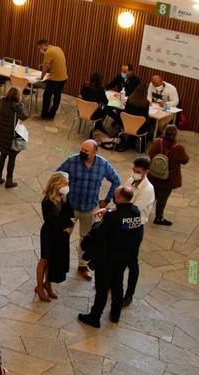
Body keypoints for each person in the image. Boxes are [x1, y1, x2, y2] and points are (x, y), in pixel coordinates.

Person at [56, 139, 121, 281]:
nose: (83, 153)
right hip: (71, 207)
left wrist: (107, 199)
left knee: (86, 238)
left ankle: (82, 265)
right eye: (82, 149)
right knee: (62, 235)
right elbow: (57, 175)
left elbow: (116, 180)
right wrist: (62, 193)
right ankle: (58, 263)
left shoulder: (103, 164)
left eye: (86, 151)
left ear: (94, 153)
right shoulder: (72, 161)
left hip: (90, 208)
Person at [78, 186, 143, 328]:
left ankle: (94, 317)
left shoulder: (113, 217)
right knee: (117, 285)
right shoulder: (136, 212)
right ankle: (115, 314)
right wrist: (107, 212)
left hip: (107, 258)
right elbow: (123, 222)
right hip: (124, 257)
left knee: (102, 288)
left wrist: (98, 222)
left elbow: (99, 234)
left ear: (119, 198)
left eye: (115, 195)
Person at [37, 172, 74, 302]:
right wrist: (65, 223)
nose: (68, 185)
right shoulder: (47, 201)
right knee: (45, 259)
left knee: (53, 259)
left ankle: (48, 284)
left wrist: (70, 225)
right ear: (57, 184)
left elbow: (71, 213)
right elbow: (50, 220)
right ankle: (39, 287)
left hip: (61, 234)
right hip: (50, 233)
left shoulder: (64, 197)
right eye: (66, 183)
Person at [123, 156, 154, 307]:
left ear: (146, 172)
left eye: (138, 171)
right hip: (123, 223)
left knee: (131, 261)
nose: (134, 173)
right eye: (134, 170)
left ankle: (129, 293)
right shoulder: (130, 181)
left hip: (135, 226)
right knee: (118, 256)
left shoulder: (148, 190)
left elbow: (133, 210)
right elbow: (122, 199)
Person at [147, 125, 189, 226]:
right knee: (162, 199)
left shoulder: (157, 143)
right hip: (168, 180)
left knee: (151, 196)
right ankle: (159, 218)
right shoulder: (179, 148)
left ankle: (144, 213)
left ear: (164, 133)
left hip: (153, 176)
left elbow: (150, 154)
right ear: (175, 135)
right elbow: (185, 161)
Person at [0, 86, 30, 187]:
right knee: (12, 158)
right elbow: (25, 115)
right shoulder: (17, 106)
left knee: (2, 155)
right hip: (12, 136)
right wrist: (21, 104)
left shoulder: (2, 102)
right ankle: (9, 180)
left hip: (2, 134)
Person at [37, 39, 68, 120]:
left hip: (55, 79)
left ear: (44, 45)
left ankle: (44, 116)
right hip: (63, 77)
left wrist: (41, 77)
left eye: (40, 47)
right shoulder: (58, 48)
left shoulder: (48, 52)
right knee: (57, 96)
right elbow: (56, 64)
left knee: (46, 96)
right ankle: (51, 115)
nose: (40, 49)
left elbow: (45, 68)